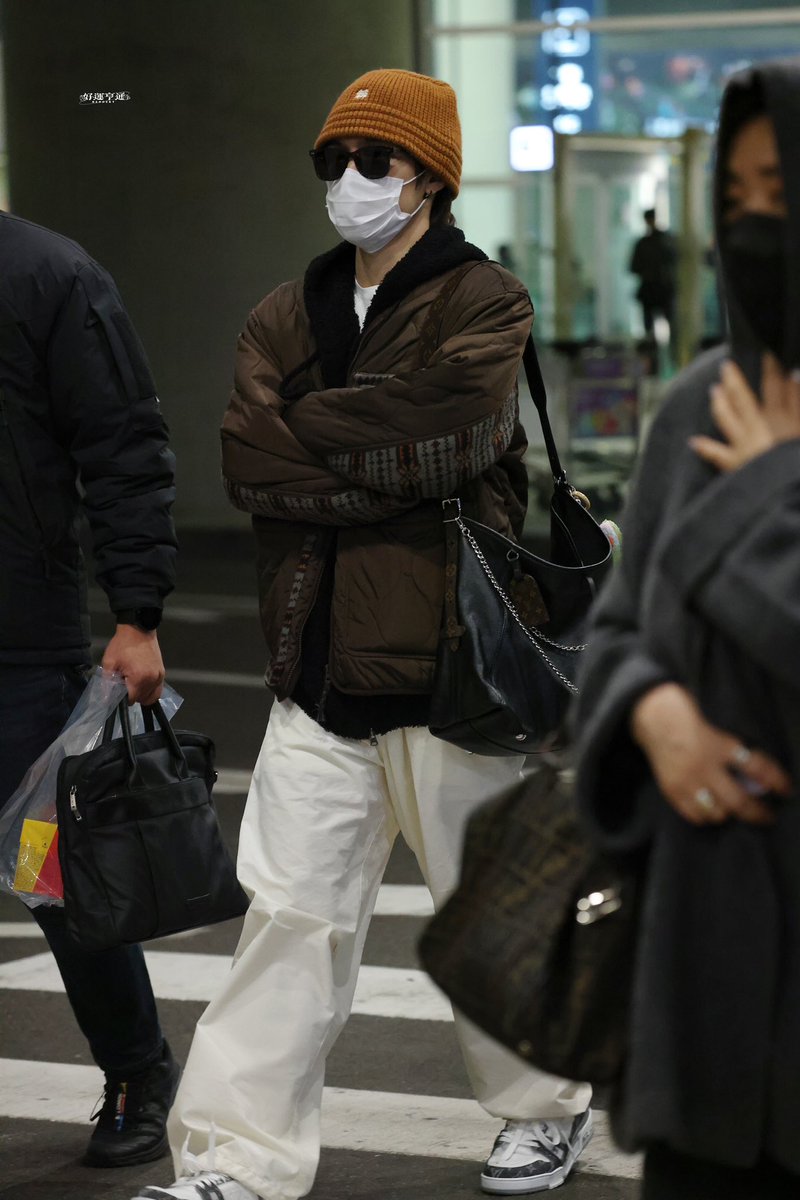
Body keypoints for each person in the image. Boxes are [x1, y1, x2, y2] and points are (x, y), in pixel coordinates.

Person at [136, 69, 592, 1200]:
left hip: (455, 662)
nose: (348, 181)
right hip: (317, 669)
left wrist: (312, 446)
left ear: (429, 176)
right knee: (287, 922)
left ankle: (547, 1107)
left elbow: (446, 445)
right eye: (332, 161)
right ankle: (235, 1159)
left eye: (373, 161)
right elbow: (250, 463)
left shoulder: (484, 301)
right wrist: (352, 459)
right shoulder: (284, 310)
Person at [574, 62, 800, 1199]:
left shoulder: (745, 436)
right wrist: (652, 718)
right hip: (700, 961)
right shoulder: (695, 405)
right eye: (739, 198)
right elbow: (613, 635)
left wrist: (767, 495)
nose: (758, 225)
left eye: (784, 190)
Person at [0, 211, 180, 1165]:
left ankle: (136, 1068)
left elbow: (123, 446)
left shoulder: (50, 276)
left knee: (56, 879)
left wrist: (137, 612)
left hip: (20, 651)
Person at [629, 207, 677, 345]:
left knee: (662, 327)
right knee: (651, 329)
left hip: (659, 288)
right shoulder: (657, 241)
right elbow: (634, 267)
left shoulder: (658, 241)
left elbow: (634, 267)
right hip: (655, 288)